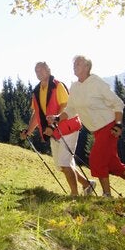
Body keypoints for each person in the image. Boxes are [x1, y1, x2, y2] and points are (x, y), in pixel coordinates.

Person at [58, 55, 125, 200]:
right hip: (96, 131)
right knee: (112, 163)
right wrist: (57, 118)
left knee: (96, 159)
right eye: (74, 64)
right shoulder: (74, 87)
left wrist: (118, 124)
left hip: (109, 126)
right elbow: (71, 109)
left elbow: (118, 103)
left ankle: (107, 195)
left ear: (87, 66)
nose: (74, 66)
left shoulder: (96, 83)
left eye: (78, 64)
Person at [20, 61, 95, 196]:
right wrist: (28, 131)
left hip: (68, 127)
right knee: (61, 165)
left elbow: (65, 107)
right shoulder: (37, 91)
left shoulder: (57, 85)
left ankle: (74, 195)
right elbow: (37, 114)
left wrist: (52, 125)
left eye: (42, 69)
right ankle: (87, 184)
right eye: (36, 71)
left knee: (64, 162)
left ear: (48, 70)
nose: (39, 73)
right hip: (54, 132)